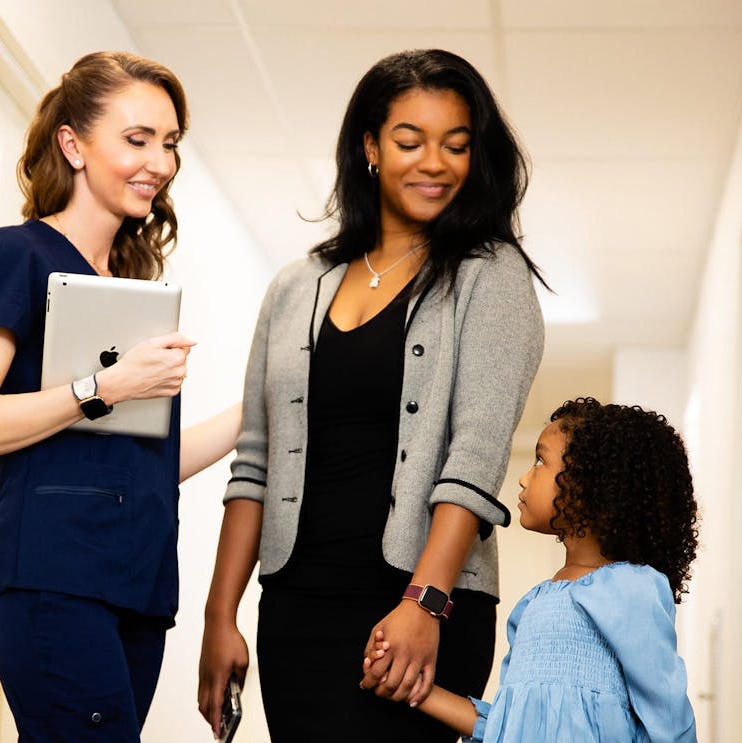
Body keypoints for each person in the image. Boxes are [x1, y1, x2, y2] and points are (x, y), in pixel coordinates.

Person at [198, 49, 545, 742]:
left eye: (456, 144)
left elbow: (474, 456)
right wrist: (219, 616)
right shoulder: (295, 287)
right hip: (297, 605)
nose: (435, 163)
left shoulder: (490, 275)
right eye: (410, 141)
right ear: (370, 148)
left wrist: (425, 602)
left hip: (421, 603)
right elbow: (255, 462)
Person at [0, 51, 239, 742]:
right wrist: (103, 387)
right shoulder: (19, 255)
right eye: (137, 140)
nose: (159, 162)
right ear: (73, 144)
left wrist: (260, 409)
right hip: (55, 577)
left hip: (136, 586)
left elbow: (140, 463)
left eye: (168, 144)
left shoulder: (129, 289)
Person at [364, 398, 700, 742]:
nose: (524, 478)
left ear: (591, 482)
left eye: (541, 460)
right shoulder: (534, 603)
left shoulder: (631, 589)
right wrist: (414, 688)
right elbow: (506, 726)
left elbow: (669, 720)